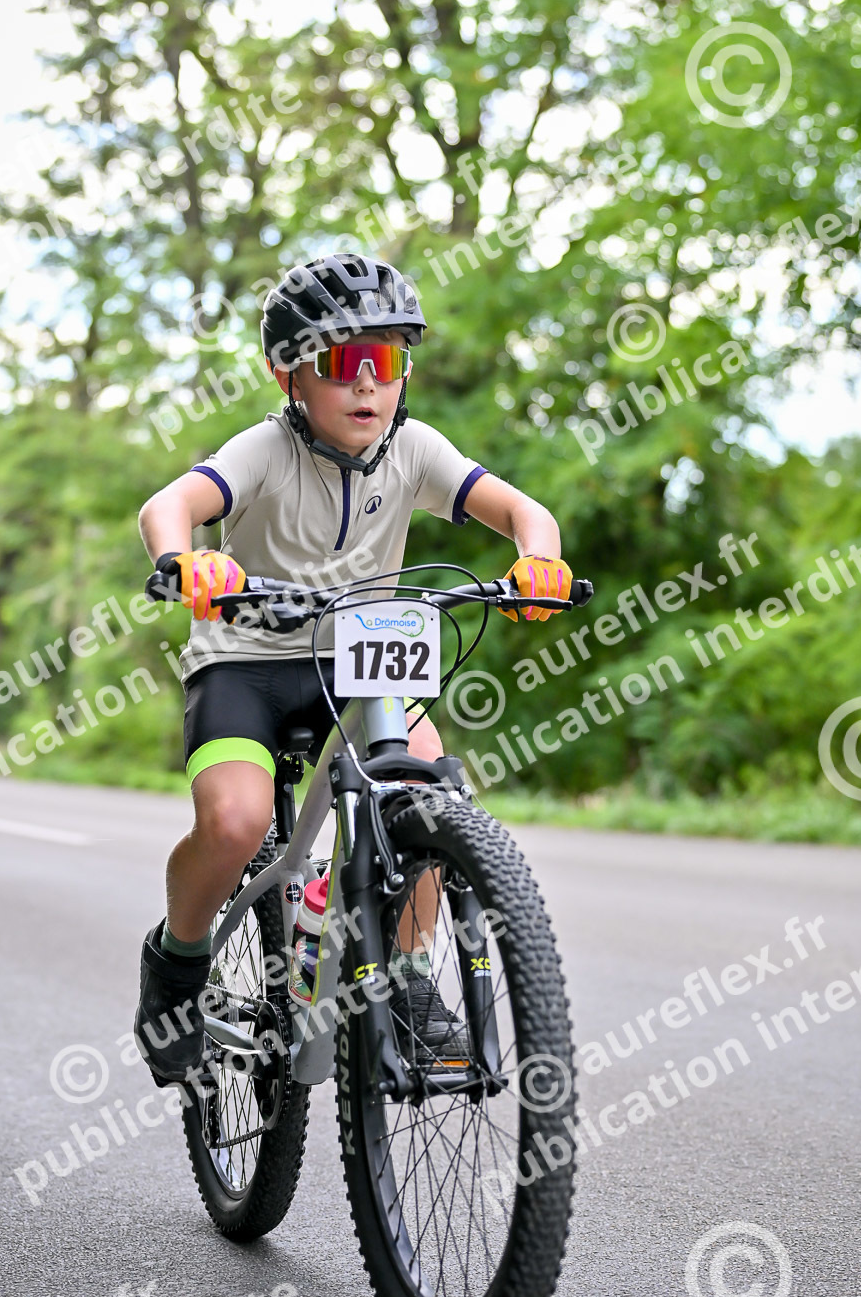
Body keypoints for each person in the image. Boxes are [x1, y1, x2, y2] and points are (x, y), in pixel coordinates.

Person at [134, 252, 573, 1087]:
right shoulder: (264, 449)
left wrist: (538, 559)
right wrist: (185, 558)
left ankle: (401, 979)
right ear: (289, 376)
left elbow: (522, 510)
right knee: (234, 822)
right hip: (247, 660)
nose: (367, 382)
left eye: (386, 360)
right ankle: (177, 963)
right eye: (342, 362)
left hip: (363, 663)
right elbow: (172, 504)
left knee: (429, 800)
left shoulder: (415, 449)